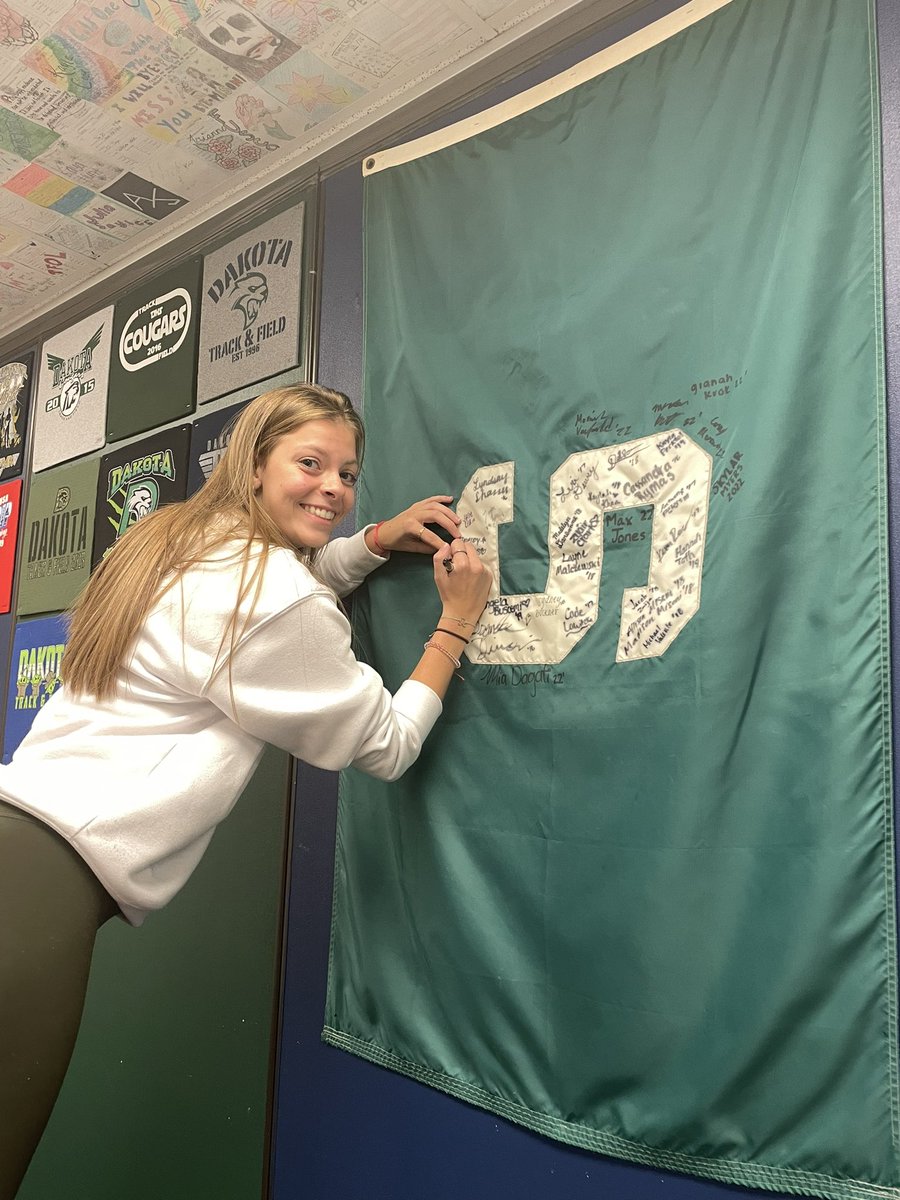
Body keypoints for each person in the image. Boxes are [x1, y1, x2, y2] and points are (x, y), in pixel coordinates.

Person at [0, 383, 492, 1198]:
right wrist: (456, 623)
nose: (334, 488)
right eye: (311, 464)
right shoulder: (272, 597)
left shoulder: (176, 537)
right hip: (42, 894)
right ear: (256, 465)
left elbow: (281, 596)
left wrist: (373, 540)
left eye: (347, 474)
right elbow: (387, 743)